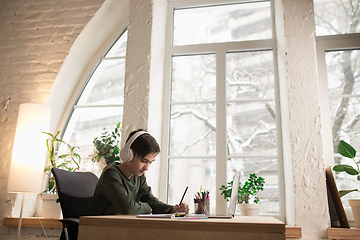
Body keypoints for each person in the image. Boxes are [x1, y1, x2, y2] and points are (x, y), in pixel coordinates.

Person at [91, 129, 189, 215]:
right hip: (101, 229)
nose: (147, 168)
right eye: (144, 161)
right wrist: (146, 208)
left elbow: (151, 201)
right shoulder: (111, 174)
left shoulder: (138, 176)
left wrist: (172, 209)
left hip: (123, 227)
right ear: (128, 154)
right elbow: (128, 208)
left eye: (150, 162)